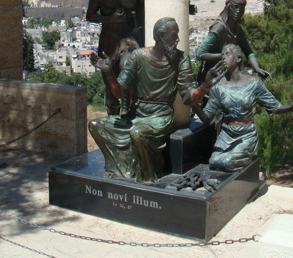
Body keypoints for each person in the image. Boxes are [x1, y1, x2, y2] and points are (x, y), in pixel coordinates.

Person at [89, 17, 226, 183]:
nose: (177, 39)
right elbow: (119, 93)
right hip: (136, 115)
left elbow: (189, 98)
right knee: (96, 126)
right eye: (173, 35)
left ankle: (147, 178)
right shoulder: (138, 57)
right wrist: (109, 74)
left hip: (160, 117)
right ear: (161, 37)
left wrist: (204, 86)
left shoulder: (181, 59)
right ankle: (121, 169)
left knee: (137, 133)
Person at [199, 44, 293, 173]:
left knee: (226, 163)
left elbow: (274, 107)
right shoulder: (218, 87)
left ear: (238, 59)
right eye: (222, 55)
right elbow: (206, 118)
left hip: (246, 134)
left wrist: (291, 108)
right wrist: (192, 102)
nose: (223, 58)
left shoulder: (254, 83)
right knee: (214, 163)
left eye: (227, 54)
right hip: (226, 134)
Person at [86, 0, 144, 115]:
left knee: (129, 69)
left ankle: (130, 112)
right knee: (110, 84)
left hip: (129, 38)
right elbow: (90, 15)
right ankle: (113, 116)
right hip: (110, 39)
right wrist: (110, 19)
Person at [196, 0, 271, 83]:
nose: (238, 11)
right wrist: (225, 56)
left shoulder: (238, 30)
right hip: (215, 73)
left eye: (241, 9)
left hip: (231, 72)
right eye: (235, 7)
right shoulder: (219, 27)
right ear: (228, 8)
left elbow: (249, 53)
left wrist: (257, 69)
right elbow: (200, 54)